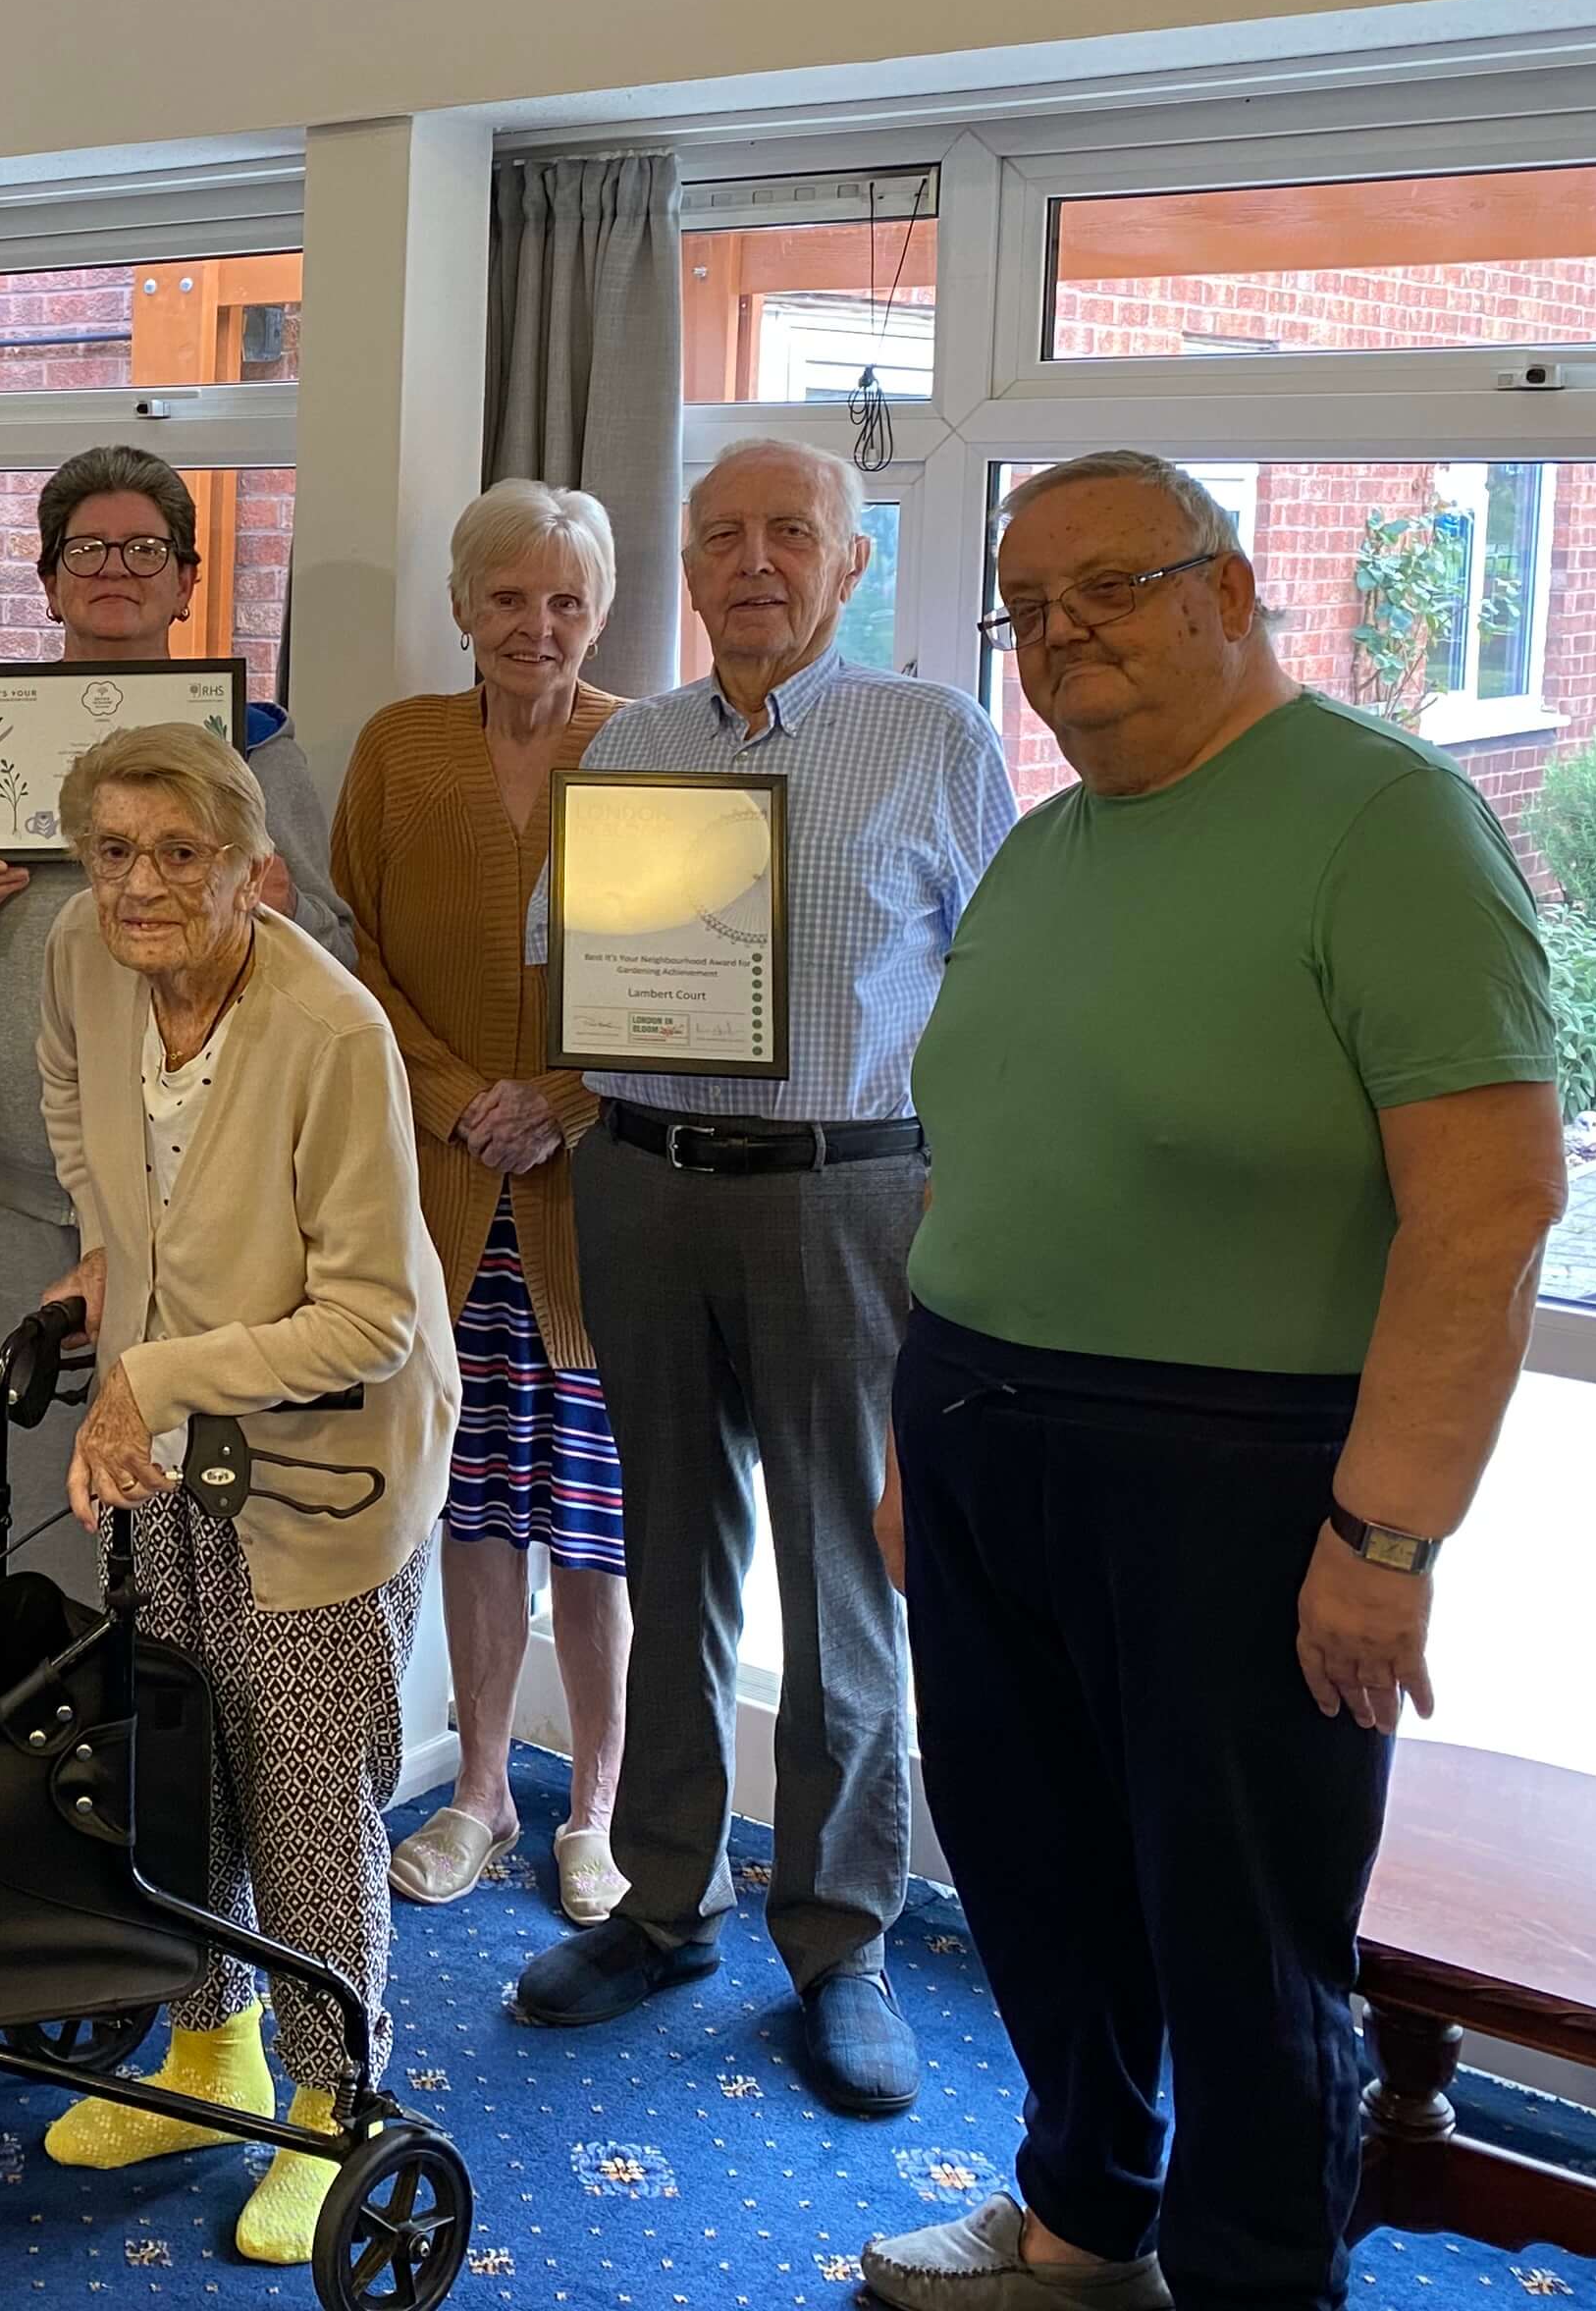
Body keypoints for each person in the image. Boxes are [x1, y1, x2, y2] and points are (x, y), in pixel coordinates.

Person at [862, 454, 1563, 2311]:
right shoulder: (1047, 834)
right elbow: (979, 1153)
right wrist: (912, 1436)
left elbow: (1486, 1214)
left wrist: (1386, 1530)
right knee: (1029, 1873)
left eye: (1104, 584)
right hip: (980, 1418)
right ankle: (1084, 2219)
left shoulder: (1385, 820)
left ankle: (1257, 2282)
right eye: (1026, 607)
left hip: (1236, 1470)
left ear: (1229, 585)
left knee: (1240, 1929)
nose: (1058, 633)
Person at [511, 439, 1010, 2119]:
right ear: (689, 562)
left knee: (836, 1571)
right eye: (719, 531)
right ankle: (662, 1898)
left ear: (848, 561)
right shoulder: (633, 741)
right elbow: (551, 945)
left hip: (841, 1190)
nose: (751, 560)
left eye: (788, 532)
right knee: (663, 1545)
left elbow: (1001, 976)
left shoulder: (929, 736)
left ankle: (839, 1934)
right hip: (643, 1175)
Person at [29, 723, 456, 2269]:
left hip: (325, 1459)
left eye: (181, 855)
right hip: (172, 1424)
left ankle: (335, 2111)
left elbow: (372, 1319)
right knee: (177, 1752)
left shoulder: (329, 1035)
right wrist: (102, 1238)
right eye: (115, 851)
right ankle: (210, 2065)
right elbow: (70, 1086)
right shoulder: (85, 949)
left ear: (247, 868)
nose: (143, 885)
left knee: (301, 1792)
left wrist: (155, 1374)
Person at [0, 444, 349, 1596]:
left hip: (185, 1200)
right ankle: (27, 1742)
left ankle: (158, 1748)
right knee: (26, 1491)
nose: (115, 570)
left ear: (188, 581)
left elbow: (338, 961)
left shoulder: (253, 749)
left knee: (176, 1488)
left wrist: (280, 914)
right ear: (47, 582)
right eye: (86, 548)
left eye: (147, 549)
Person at [333, 480, 633, 1924]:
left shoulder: (645, 747)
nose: (537, 626)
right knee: (470, 1513)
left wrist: (563, 1099)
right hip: (441, 1187)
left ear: (603, 611)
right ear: (462, 605)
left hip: (595, 1204)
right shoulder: (398, 752)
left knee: (594, 1521)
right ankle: (478, 1795)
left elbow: (687, 973)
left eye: (566, 599)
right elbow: (349, 957)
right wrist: (459, 1092)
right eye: (509, 597)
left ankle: (599, 1812)